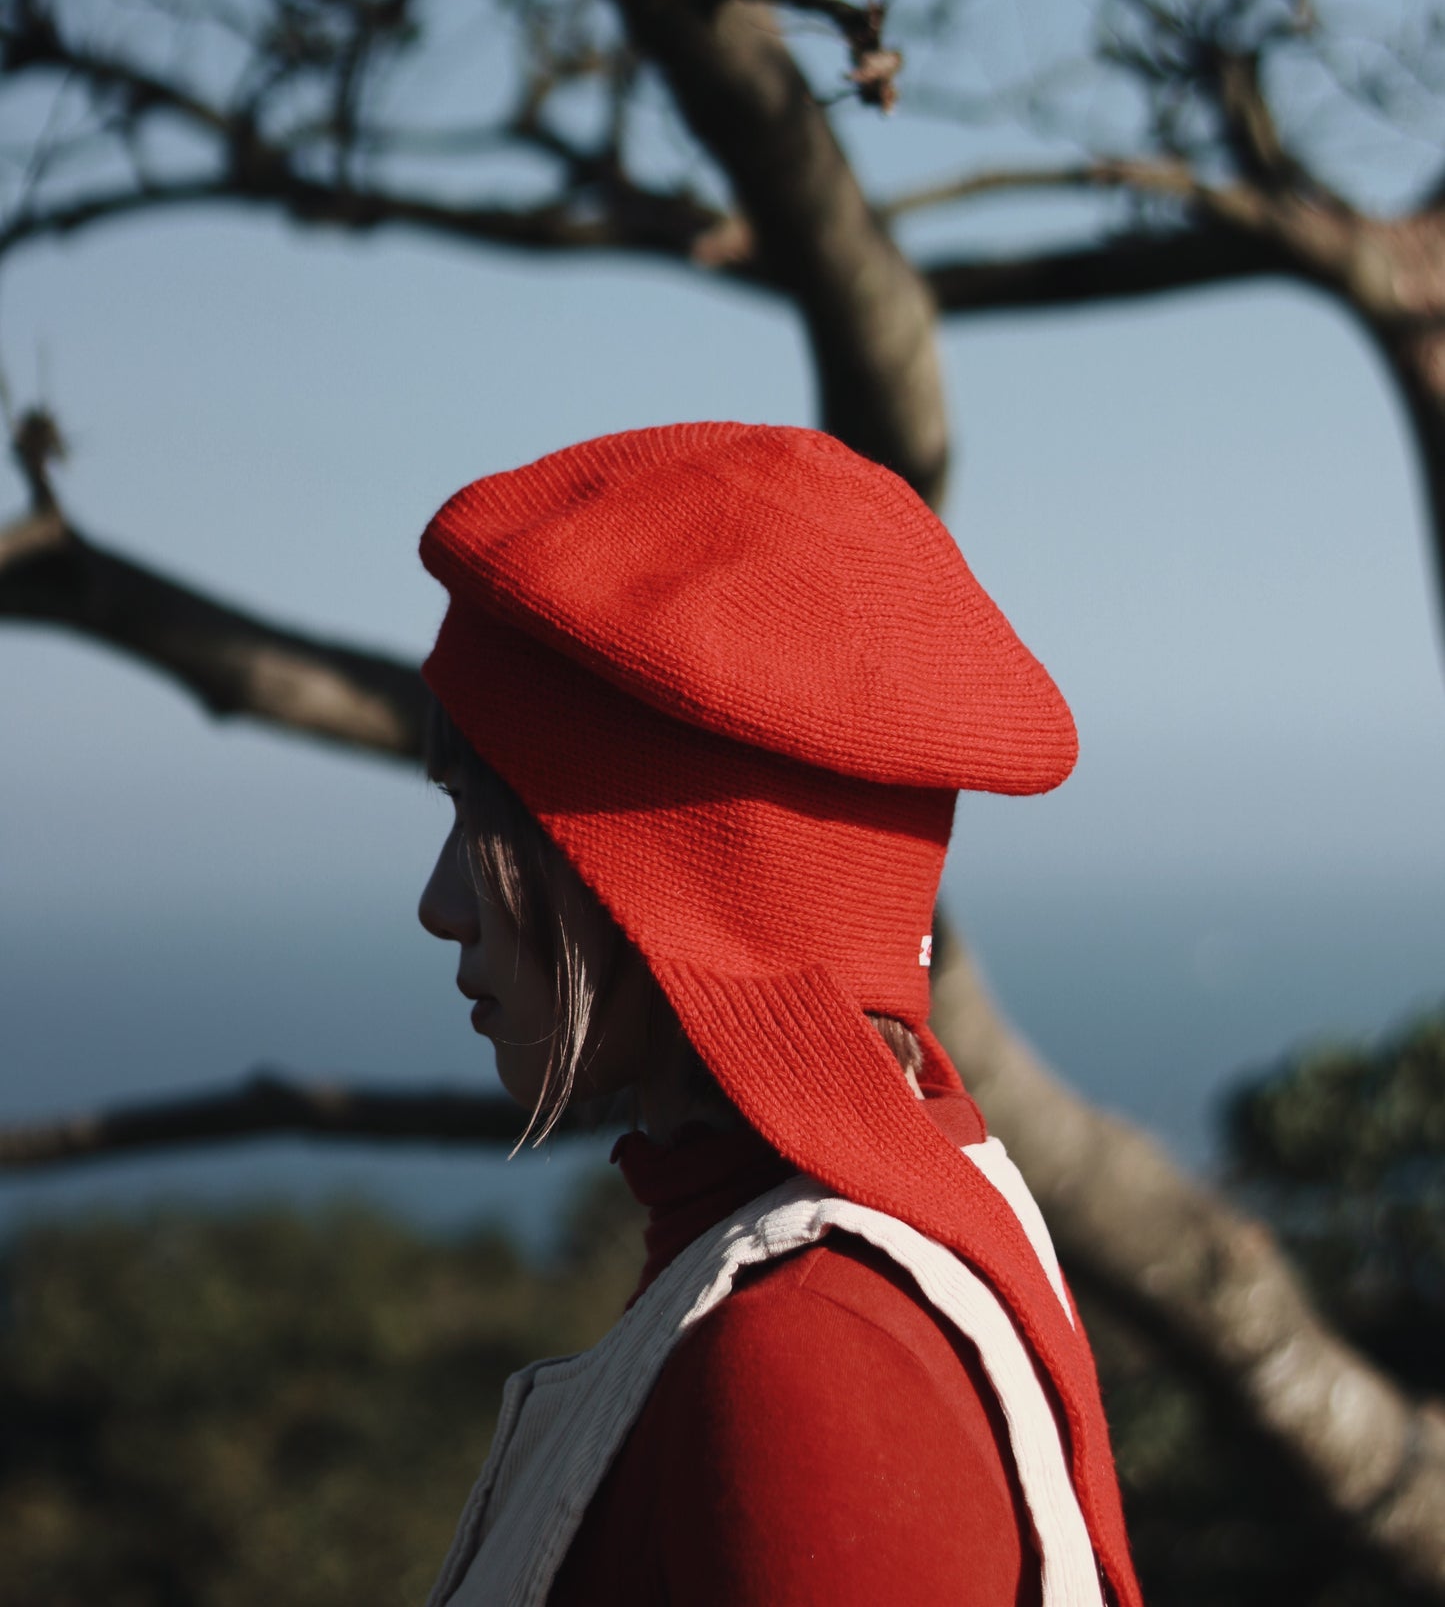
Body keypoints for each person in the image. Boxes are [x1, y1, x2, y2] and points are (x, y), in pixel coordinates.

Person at [415, 421, 1141, 1607]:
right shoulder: (820, 1282)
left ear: (671, 873)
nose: (441, 904)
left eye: (484, 822)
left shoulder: (810, 1357)